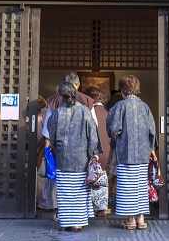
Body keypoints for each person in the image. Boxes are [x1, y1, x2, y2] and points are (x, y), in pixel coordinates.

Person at [47, 81, 102, 231]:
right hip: (81, 158)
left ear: (61, 96)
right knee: (79, 190)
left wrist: (56, 147)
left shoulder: (58, 112)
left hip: (64, 157)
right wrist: (93, 153)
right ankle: (78, 223)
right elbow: (93, 135)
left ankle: (66, 222)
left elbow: (52, 135)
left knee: (65, 191)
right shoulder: (84, 111)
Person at [106, 75, 156, 230]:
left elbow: (113, 129)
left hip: (125, 152)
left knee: (128, 186)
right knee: (140, 185)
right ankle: (141, 219)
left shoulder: (120, 106)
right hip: (142, 154)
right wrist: (150, 149)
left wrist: (114, 140)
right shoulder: (145, 107)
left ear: (122, 90)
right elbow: (152, 131)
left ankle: (130, 220)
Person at [84, 87, 111, 216]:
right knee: (102, 176)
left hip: (93, 151)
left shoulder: (88, 113)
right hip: (106, 150)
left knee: (90, 176)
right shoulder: (108, 114)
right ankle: (102, 206)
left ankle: (90, 206)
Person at [35, 95, 56, 211]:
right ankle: (53, 202)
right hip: (53, 148)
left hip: (44, 149)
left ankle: (44, 202)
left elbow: (38, 136)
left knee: (43, 176)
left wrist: (36, 148)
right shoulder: (50, 112)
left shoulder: (40, 115)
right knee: (52, 177)